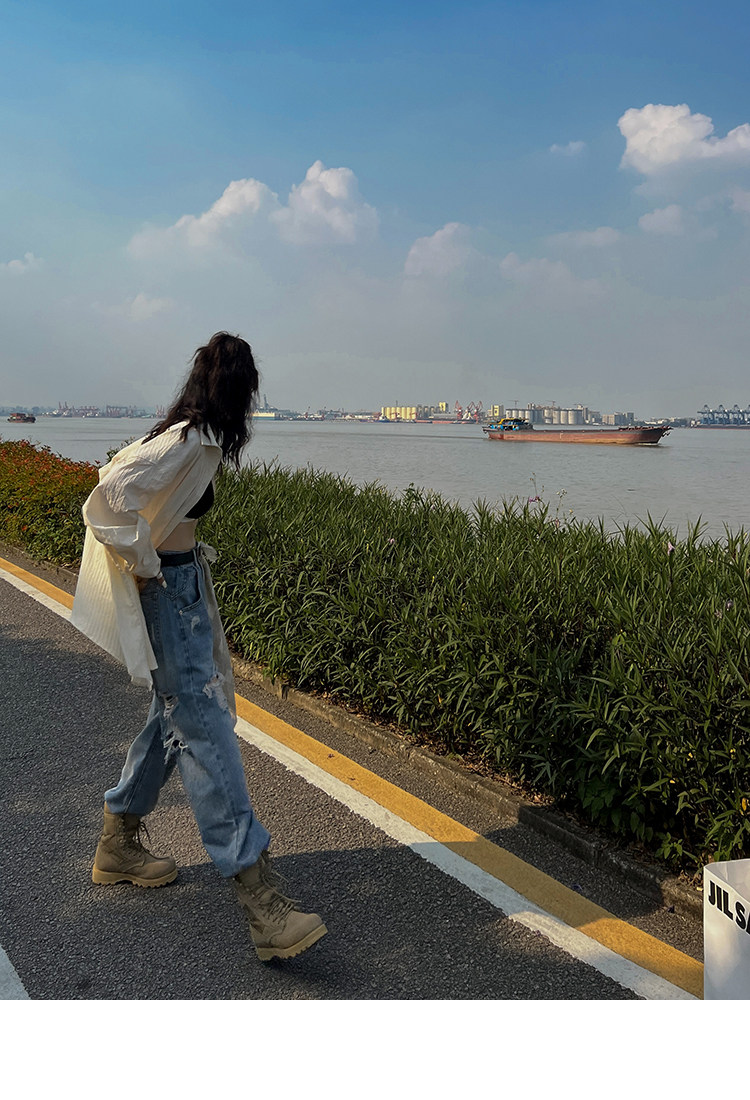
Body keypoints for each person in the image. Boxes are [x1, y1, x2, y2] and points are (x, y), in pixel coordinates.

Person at [71, 332, 327, 962]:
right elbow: (108, 492)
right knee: (206, 732)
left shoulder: (192, 434)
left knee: (172, 720)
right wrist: (143, 560)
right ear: (237, 388)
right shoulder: (189, 438)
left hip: (182, 586)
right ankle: (262, 904)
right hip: (169, 591)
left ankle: (117, 842)